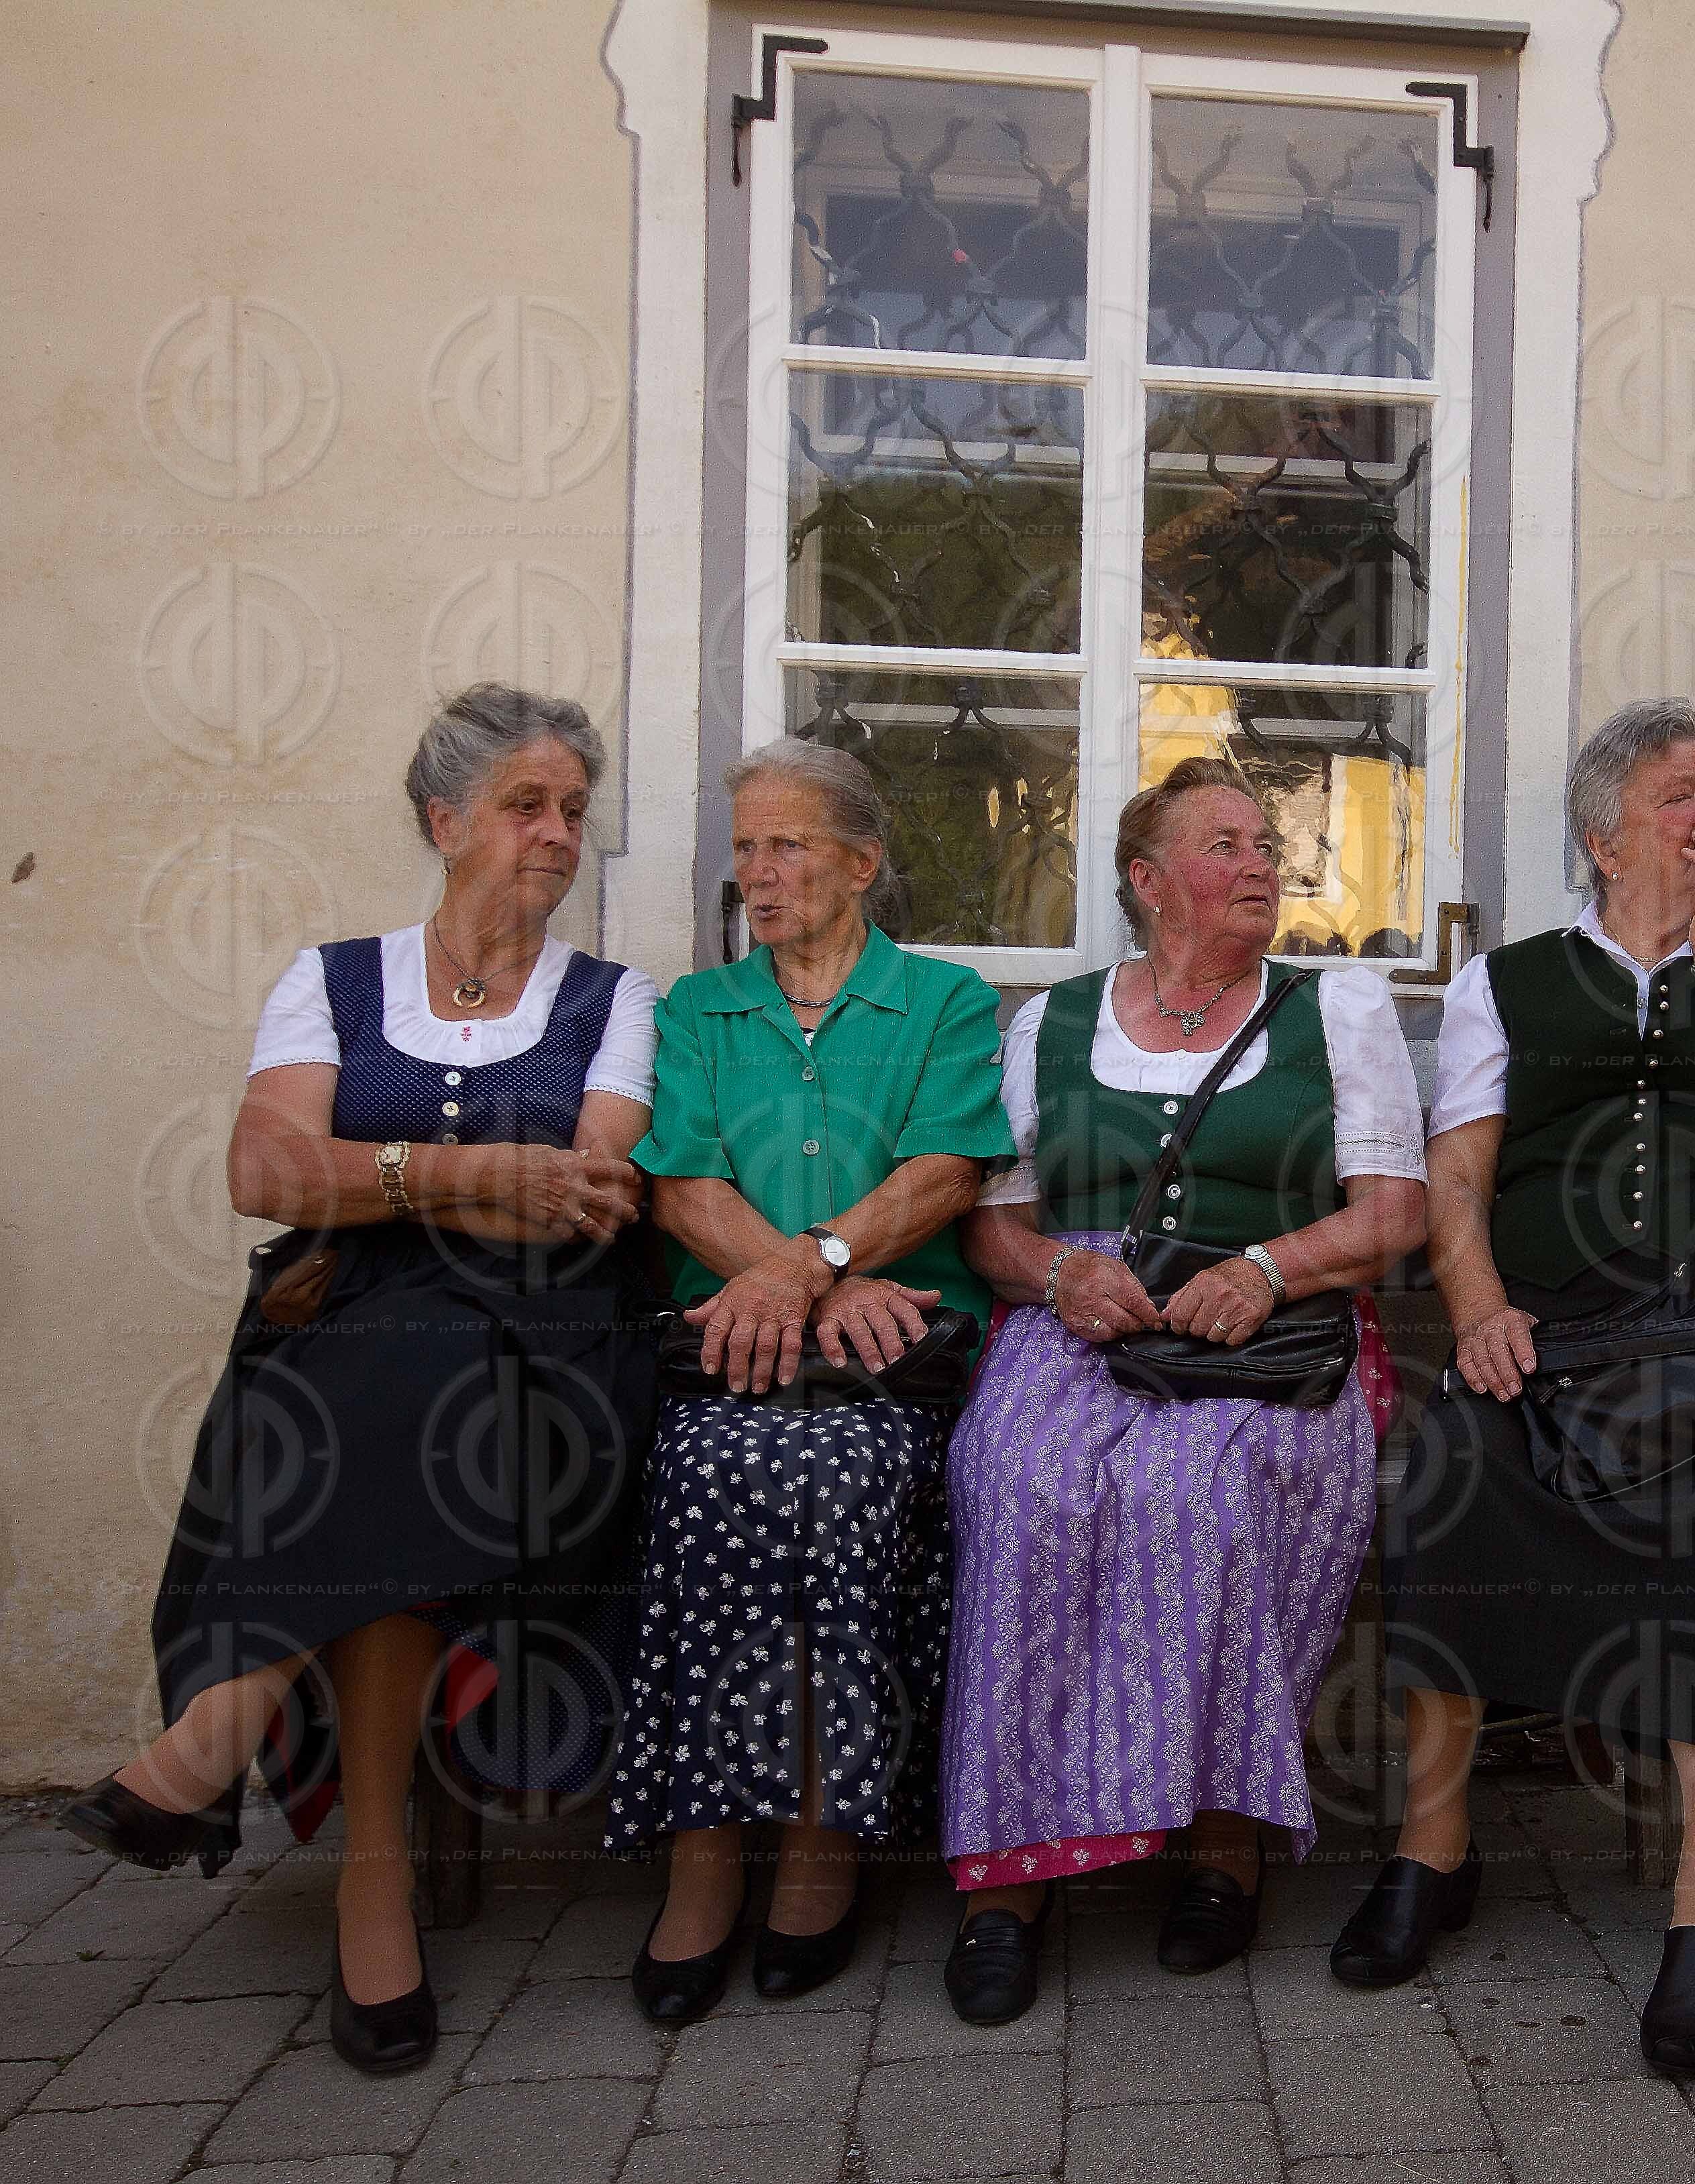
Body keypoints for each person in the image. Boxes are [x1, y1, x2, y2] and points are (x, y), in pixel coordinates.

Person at [60, 684, 660, 2075]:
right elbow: (261, 1171)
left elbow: (584, 1193)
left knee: (390, 1374)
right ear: (443, 820)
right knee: (371, 1397)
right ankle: (372, 1877)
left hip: (548, 1351)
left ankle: (212, 1742)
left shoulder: (615, 1001)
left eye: (574, 808)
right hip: (355, 1339)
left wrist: (377, 1179)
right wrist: (467, 1174)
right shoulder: (330, 979)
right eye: (526, 804)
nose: (557, 833)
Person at [1340, 700, 1695, 2076]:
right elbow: (1455, 1177)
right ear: (1599, 836)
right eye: (1679, 795)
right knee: (1443, 1465)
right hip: (1551, 1336)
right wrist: (1473, 1309)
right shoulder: (1503, 982)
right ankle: (1433, 1844)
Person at [938, 757, 1427, 2026]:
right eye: (1229, 844)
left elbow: (1391, 1217)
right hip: (1088, 1315)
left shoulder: (1342, 1010)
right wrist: (1055, 1275)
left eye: (1268, 845)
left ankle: (1221, 1841)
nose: (1264, 863)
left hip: (1276, 1325)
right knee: (1022, 1481)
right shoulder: (1051, 1023)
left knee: (1195, 1488)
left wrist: (1272, 1267)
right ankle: (1009, 1880)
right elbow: (995, 1230)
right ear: (1150, 883)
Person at [606, 736, 1016, 2025]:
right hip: (732, 1357)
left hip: (891, 1370)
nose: (759, 874)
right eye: (745, 850)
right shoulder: (699, 1011)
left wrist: (818, 1264)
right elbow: (679, 1181)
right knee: (709, 1484)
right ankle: (704, 1851)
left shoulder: (943, 1002)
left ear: (860, 864)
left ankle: (821, 1838)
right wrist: (813, 1285)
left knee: (836, 1489)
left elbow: (951, 1170)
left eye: (786, 847)